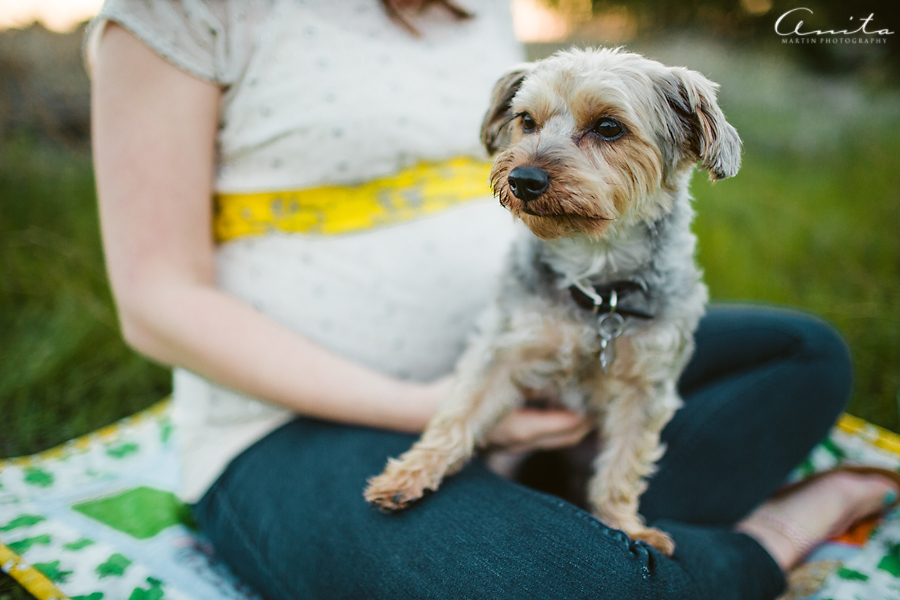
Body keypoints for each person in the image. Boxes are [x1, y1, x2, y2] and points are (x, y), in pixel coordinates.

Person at [86, 1, 898, 598]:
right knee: (556, 584)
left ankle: (559, 510)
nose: (528, 159)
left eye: (603, 130)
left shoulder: (478, 8)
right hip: (297, 421)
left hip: (555, 355)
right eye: (526, 125)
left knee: (807, 354)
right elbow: (157, 302)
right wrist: (432, 408)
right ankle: (763, 538)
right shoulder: (185, 10)